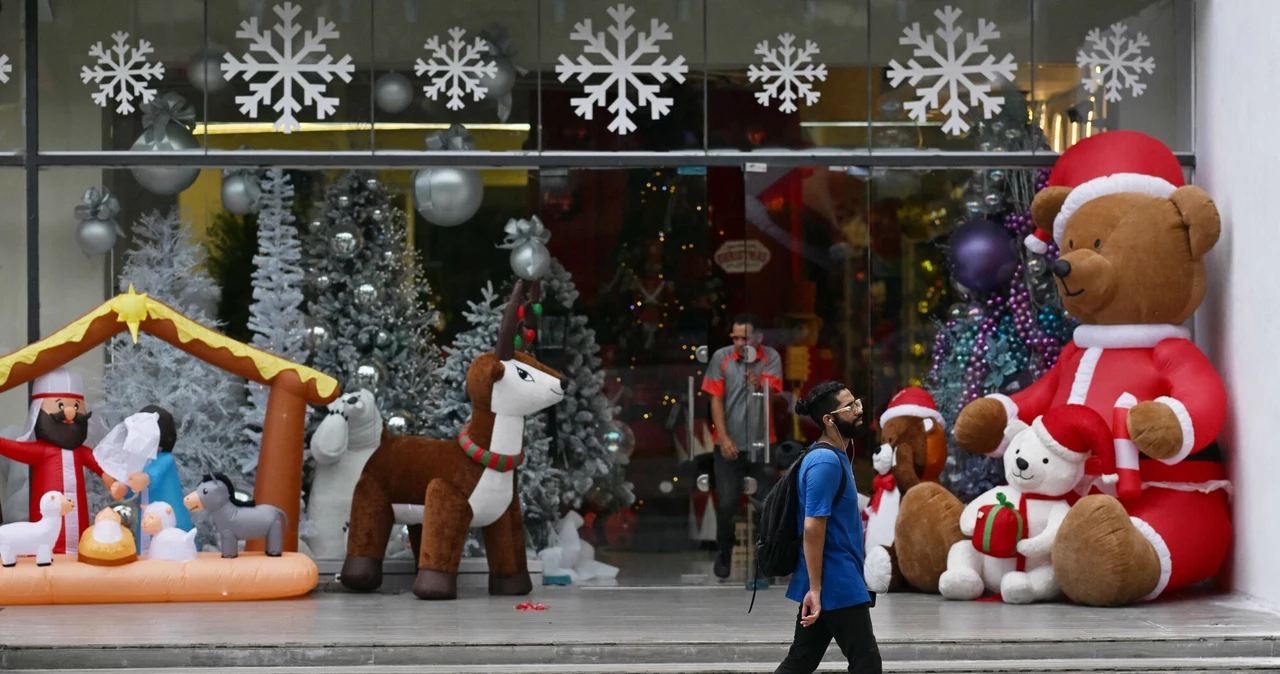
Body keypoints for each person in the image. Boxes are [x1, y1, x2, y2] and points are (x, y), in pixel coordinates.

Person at [777, 381, 881, 674]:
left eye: (857, 402)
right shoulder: (825, 461)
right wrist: (816, 588)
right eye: (850, 407)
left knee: (800, 663)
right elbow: (812, 527)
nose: (859, 411)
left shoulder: (835, 456)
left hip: (832, 580)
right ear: (829, 419)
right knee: (867, 663)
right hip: (835, 581)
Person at [0, 369, 145, 555]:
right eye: (60, 405)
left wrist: (112, 482)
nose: (69, 412)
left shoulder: (80, 452)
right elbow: (12, 448)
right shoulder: (41, 451)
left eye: (77, 407)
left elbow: (100, 465)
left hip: (79, 533)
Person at [701, 313, 783, 584]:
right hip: (729, 443)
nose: (739, 342)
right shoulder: (721, 358)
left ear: (758, 338)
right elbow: (715, 401)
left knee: (764, 505)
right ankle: (724, 551)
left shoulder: (770, 357)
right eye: (735, 337)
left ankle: (763, 564)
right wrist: (723, 438)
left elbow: (775, 395)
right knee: (726, 503)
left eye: (744, 338)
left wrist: (762, 384)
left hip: (762, 443)